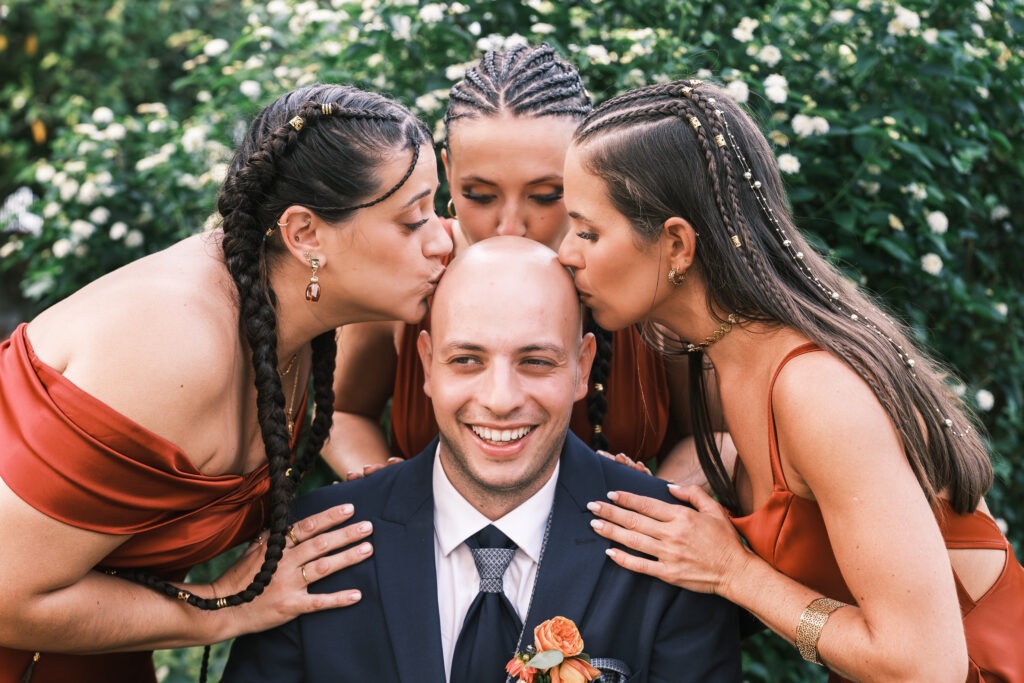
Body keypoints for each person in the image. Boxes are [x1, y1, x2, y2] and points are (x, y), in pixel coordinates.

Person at [557, 78, 1024, 681]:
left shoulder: (817, 392)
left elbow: (926, 665)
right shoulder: (717, 352)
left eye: (587, 232)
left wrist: (733, 572)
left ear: (676, 245)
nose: (566, 252)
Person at [0, 83, 452, 682]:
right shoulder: (176, 343)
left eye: (437, 209)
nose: (443, 239)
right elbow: (6, 596)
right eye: (413, 220)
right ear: (305, 234)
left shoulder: (284, 323)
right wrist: (222, 609)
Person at [222, 236, 741, 683]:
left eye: (535, 361)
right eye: (467, 360)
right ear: (427, 364)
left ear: (582, 368)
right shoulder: (311, 548)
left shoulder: (674, 548)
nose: (500, 398)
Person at [324, 43, 707, 484]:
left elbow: (714, 432)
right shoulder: (409, 275)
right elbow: (343, 412)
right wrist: (386, 494)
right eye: (480, 196)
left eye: (545, 195)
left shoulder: (644, 277)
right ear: (448, 172)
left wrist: (656, 502)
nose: (510, 226)